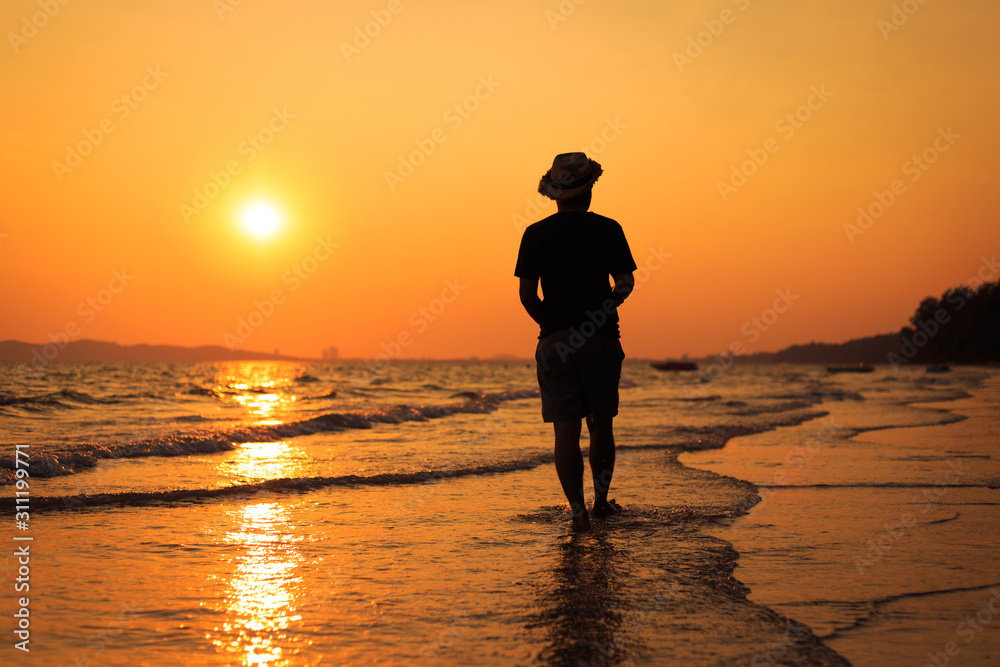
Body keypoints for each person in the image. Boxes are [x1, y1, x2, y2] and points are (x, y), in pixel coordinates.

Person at [514, 152, 637, 531]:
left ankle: (577, 511)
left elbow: (527, 296)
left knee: (564, 428)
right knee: (601, 423)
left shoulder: (534, 234)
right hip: (598, 337)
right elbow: (626, 284)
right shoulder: (608, 228)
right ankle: (601, 502)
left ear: (556, 194)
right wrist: (602, 310)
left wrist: (551, 323)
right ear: (589, 191)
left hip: (554, 341)